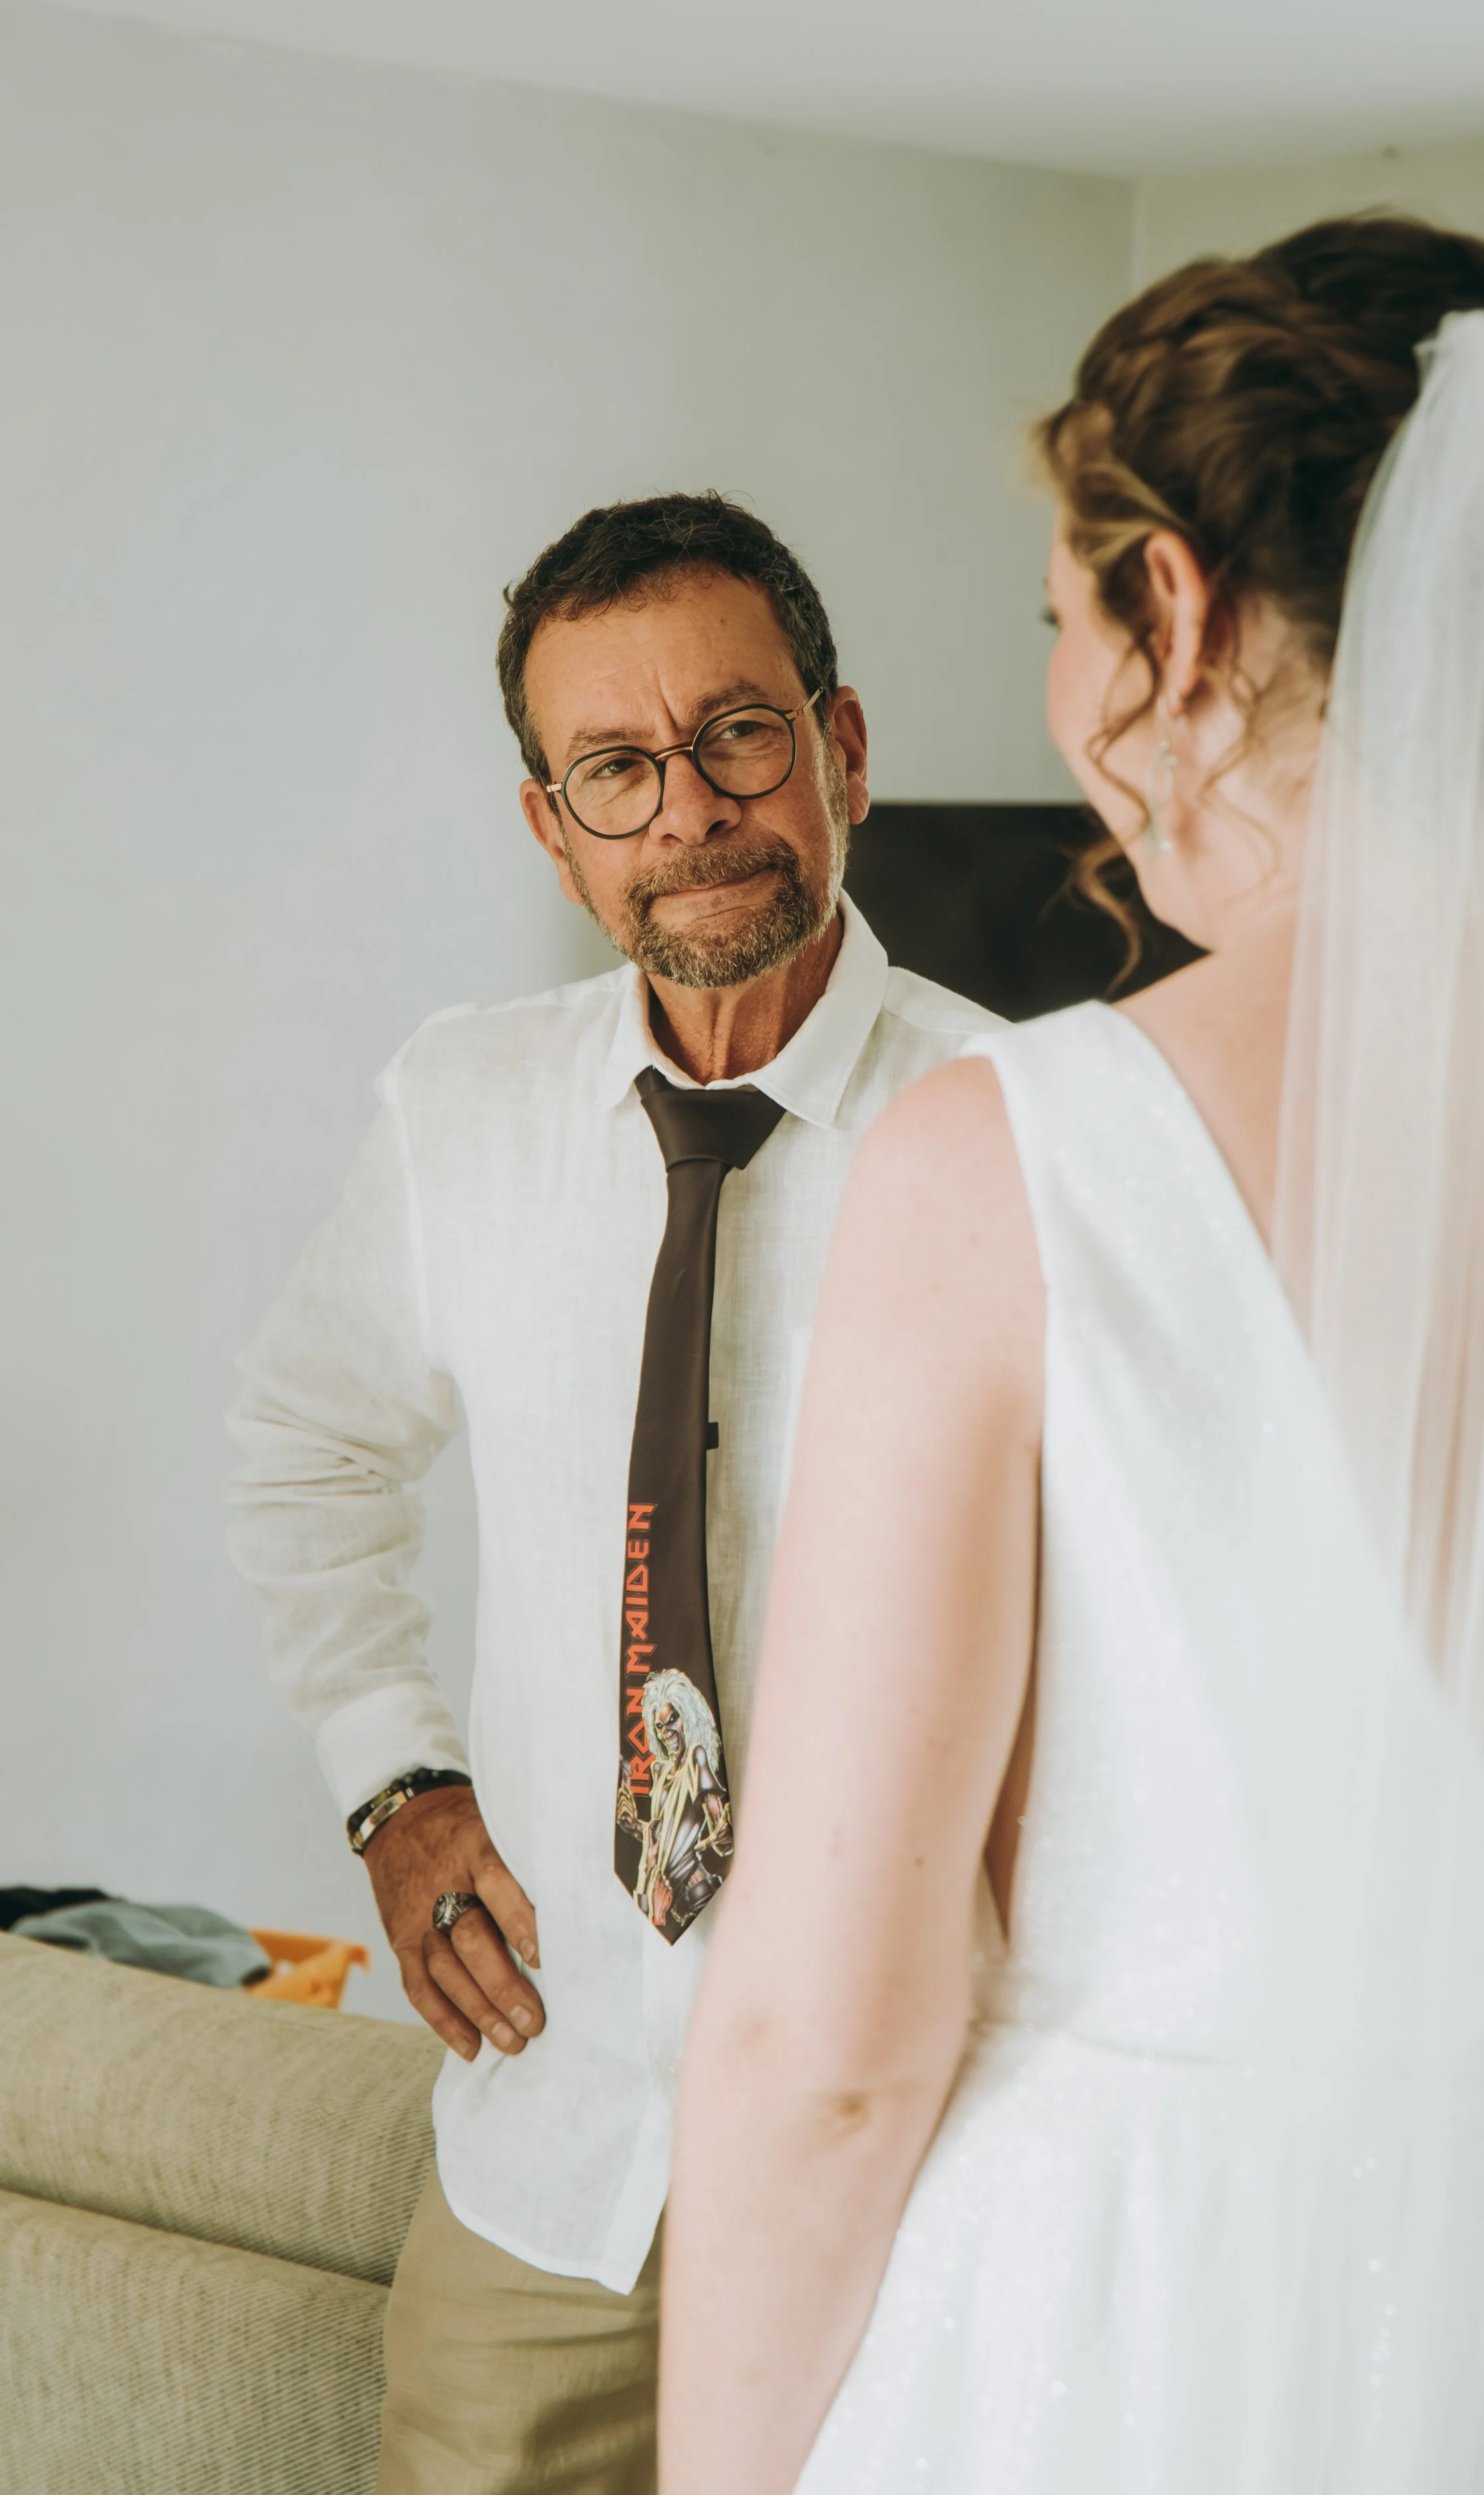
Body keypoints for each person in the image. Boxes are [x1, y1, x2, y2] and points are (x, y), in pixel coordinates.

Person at [663, 220, 1484, 2492]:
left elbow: (826, 2042)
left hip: (1142, 2339)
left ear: (1175, 613)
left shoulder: (1013, 1161)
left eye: (1056, 617)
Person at [225, 490, 996, 2495]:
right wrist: (395, 1783)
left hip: (925, 2165)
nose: (689, 809)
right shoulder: (460, 1107)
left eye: (736, 736)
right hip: (548, 2166)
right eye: (615, 769)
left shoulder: (1025, 1135)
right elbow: (306, 1443)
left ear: (836, 746)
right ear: (549, 829)